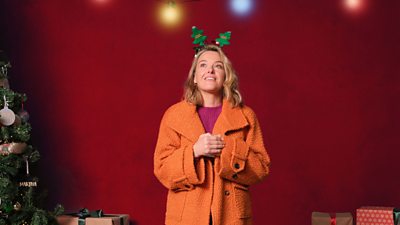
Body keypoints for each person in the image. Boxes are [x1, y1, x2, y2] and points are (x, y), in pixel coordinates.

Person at [154, 28, 271, 225]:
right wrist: (194, 151)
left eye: (218, 66)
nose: (210, 70)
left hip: (231, 216)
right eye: (203, 65)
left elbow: (260, 168)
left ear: (226, 75)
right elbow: (162, 169)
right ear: (194, 76)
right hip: (186, 217)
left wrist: (227, 148)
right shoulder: (173, 116)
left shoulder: (246, 116)